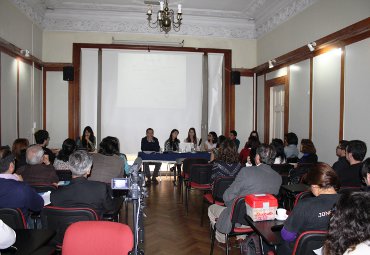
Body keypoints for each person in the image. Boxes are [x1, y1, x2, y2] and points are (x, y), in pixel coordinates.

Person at [208, 144, 282, 243]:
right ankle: (241, 237)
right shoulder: (278, 177)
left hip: (240, 215)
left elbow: (227, 197)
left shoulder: (246, 171)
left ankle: (221, 238)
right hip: (262, 217)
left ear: (258, 157)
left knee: (212, 208)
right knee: (241, 204)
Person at [278, 163, 339, 255]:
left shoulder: (305, 205)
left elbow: (287, 236)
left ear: (314, 186)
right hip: (335, 249)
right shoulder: (350, 201)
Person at [51, 150, 120, 218]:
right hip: (94, 227)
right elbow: (110, 208)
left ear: (70, 167)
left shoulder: (55, 195)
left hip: (67, 228)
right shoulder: (100, 188)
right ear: (88, 170)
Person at [0, 147, 44, 216]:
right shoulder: (22, 188)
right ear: (11, 166)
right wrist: (22, 183)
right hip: (17, 226)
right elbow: (38, 206)